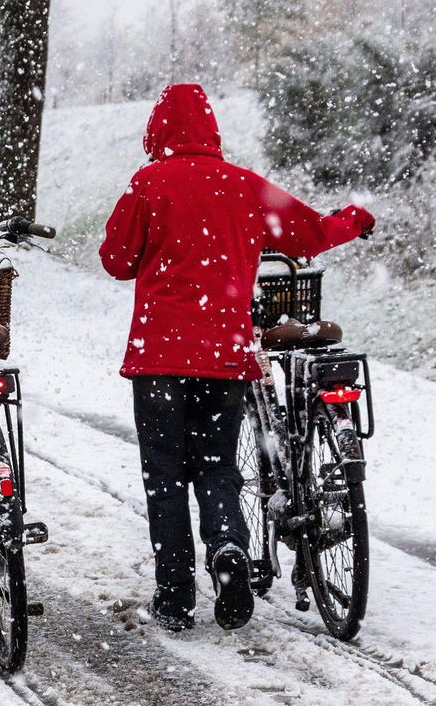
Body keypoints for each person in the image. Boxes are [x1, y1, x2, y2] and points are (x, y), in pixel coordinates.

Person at [97, 84, 374, 632]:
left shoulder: (149, 183)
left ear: (159, 131)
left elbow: (116, 259)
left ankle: (175, 595)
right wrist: (354, 219)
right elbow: (309, 236)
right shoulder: (242, 185)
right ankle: (228, 550)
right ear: (211, 131)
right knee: (219, 467)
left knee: (164, 475)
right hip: (224, 355)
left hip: (159, 358)